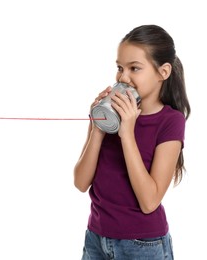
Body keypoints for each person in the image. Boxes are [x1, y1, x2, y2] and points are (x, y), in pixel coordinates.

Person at [74, 24, 191, 260]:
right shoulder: (109, 113)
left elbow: (149, 201)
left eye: (134, 68)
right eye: (120, 68)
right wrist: (98, 127)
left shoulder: (170, 122)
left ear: (163, 72)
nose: (123, 77)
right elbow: (80, 182)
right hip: (96, 237)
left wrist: (127, 134)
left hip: (142, 245)